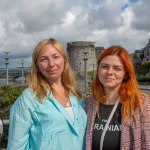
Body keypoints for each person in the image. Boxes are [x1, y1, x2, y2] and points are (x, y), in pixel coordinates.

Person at [7, 38, 87, 150]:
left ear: (64, 60)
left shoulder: (75, 95)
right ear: (37, 66)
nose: (51, 64)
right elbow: (16, 146)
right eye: (44, 59)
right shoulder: (29, 98)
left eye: (56, 57)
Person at [85, 45, 150, 150]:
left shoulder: (141, 105)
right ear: (98, 70)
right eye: (105, 66)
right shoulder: (89, 104)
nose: (109, 72)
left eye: (117, 68)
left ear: (125, 74)